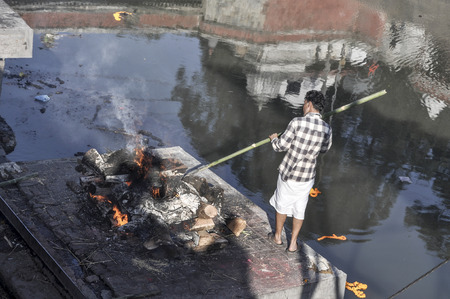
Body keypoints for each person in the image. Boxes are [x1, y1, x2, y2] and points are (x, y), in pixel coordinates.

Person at [268, 90, 332, 253]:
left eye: (304, 103)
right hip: (307, 176)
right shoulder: (327, 128)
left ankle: (277, 237)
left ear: (309, 104)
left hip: (289, 173)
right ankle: (293, 244)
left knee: (281, 205)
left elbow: (280, 147)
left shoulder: (297, 122)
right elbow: (324, 149)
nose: (303, 107)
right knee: (299, 208)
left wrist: (274, 138)